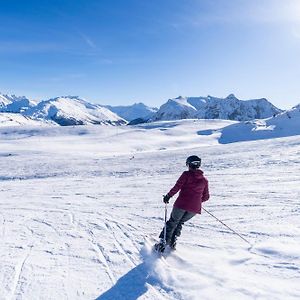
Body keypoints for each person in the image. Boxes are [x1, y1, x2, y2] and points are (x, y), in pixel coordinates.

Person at [156, 155, 209, 251]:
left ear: (188, 164)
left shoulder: (186, 174)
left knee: (172, 222)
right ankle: (172, 242)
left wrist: (168, 196)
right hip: (194, 209)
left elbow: (177, 187)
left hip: (181, 204)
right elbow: (206, 197)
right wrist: (196, 200)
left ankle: (163, 243)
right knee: (180, 223)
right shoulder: (204, 180)